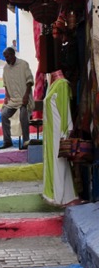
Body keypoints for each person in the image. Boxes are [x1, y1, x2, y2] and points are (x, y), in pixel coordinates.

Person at [42, 69, 78, 206]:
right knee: (57, 162)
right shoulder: (53, 84)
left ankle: (59, 195)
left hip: (58, 132)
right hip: (52, 132)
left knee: (59, 163)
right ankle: (65, 195)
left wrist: (66, 132)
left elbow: (65, 108)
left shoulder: (62, 84)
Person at [0, 47, 34, 149]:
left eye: (8, 56)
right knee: (4, 115)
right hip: (13, 100)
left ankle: (26, 141)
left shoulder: (23, 64)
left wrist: (26, 95)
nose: (6, 59)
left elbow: (29, 81)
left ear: (13, 54)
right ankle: (7, 141)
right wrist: (6, 96)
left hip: (24, 98)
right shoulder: (6, 68)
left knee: (23, 116)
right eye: (5, 57)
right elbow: (5, 83)